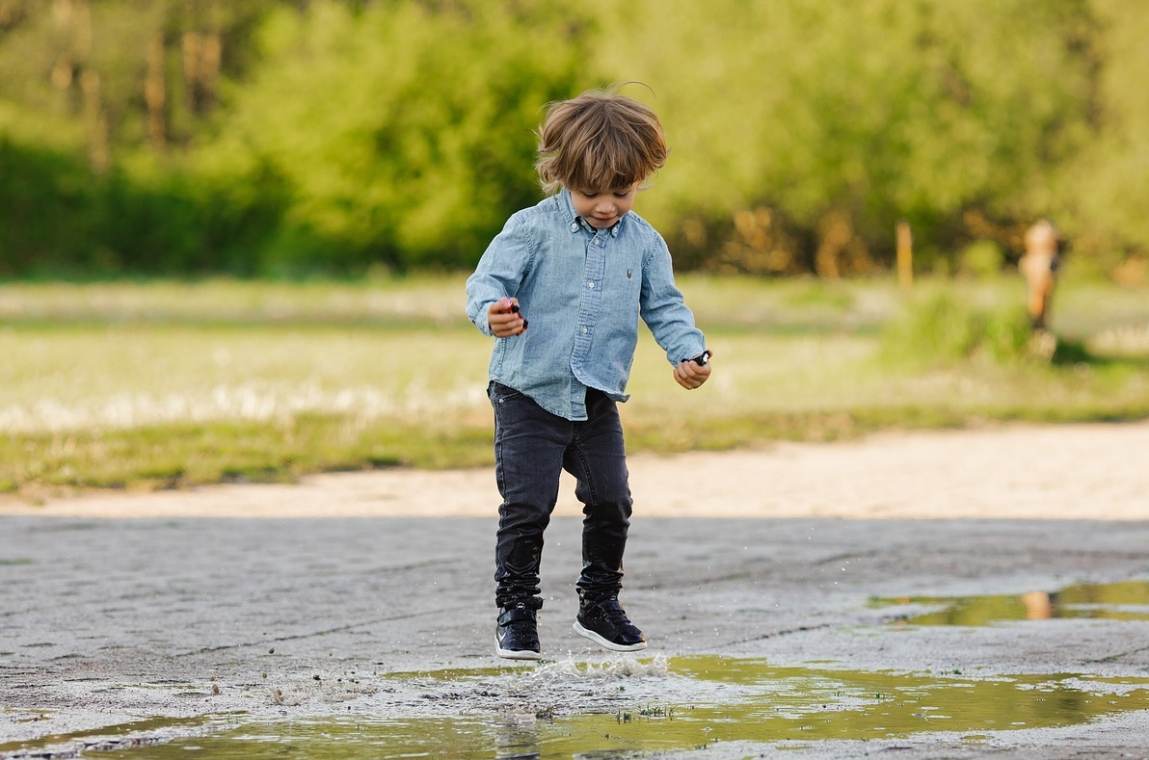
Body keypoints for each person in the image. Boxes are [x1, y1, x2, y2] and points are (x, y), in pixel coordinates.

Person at [465, 88, 712, 660]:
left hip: (597, 395)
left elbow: (666, 307)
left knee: (612, 499)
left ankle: (598, 605)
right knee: (528, 502)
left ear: (640, 179)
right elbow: (486, 284)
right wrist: (493, 313)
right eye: (590, 192)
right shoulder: (531, 228)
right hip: (527, 392)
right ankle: (517, 612)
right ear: (560, 175)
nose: (606, 205)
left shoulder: (645, 243)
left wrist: (689, 353)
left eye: (620, 192)